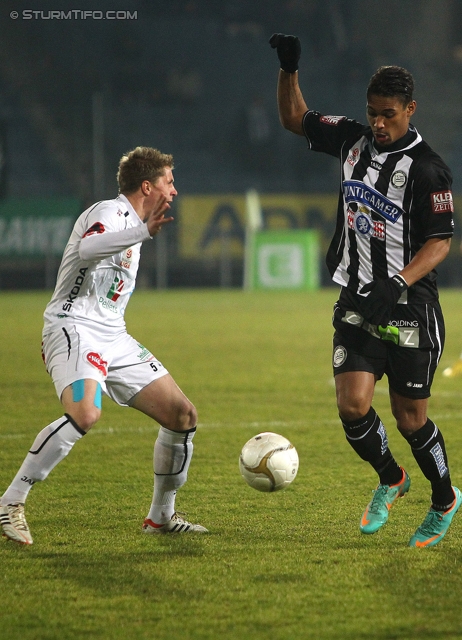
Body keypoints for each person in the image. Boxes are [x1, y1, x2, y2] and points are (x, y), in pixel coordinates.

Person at [270, 34, 460, 547]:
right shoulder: (353, 141)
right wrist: (290, 68)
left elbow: (441, 243)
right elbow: (295, 119)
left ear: (410, 110)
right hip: (356, 298)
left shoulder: (427, 170)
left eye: (389, 114)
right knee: (352, 405)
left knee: (409, 419)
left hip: (407, 308)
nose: (378, 123)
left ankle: (444, 499)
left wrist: (398, 280)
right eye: (373, 113)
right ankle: (391, 480)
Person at [0, 146, 207, 545]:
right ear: (147, 186)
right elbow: (87, 250)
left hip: (114, 336)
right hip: (72, 327)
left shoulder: (134, 222)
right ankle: (11, 501)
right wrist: (142, 232)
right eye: (169, 182)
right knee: (85, 413)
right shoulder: (109, 213)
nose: (175, 190)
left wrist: (142, 231)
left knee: (182, 415)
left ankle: (160, 517)